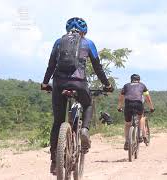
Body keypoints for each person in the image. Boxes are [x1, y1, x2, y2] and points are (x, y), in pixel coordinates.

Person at [41, 17, 114, 175]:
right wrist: (107, 85)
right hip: (79, 83)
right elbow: (97, 67)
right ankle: (85, 130)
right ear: (84, 31)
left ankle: (54, 161)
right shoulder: (88, 43)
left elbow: (51, 65)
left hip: (59, 84)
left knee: (57, 122)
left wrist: (45, 83)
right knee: (87, 104)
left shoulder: (58, 42)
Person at [117, 74, 155, 150]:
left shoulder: (126, 86)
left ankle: (127, 141)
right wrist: (151, 108)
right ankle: (140, 134)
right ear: (139, 80)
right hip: (138, 104)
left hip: (128, 105)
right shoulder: (142, 86)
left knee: (127, 124)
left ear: (131, 80)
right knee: (140, 117)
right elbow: (148, 99)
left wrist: (119, 107)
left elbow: (121, 98)